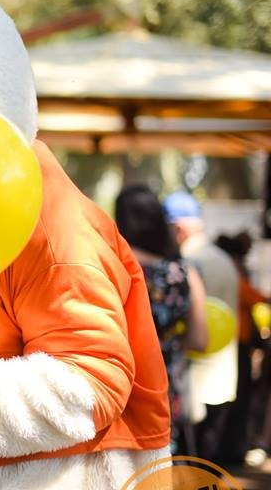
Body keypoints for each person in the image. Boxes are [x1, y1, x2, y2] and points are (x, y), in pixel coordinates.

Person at [115, 184, 208, 454]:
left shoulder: (113, 268)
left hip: (121, 385)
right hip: (165, 386)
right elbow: (200, 339)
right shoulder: (183, 273)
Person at [163, 190, 239, 462]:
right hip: (223, 374)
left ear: (179, 228)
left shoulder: (188, 264)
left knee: (192, 467)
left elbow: (193, 328)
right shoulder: (224, 259)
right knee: (210, 464)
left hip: (194, 380)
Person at [215, 231, 269, 464]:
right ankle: (232, 449)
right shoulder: (233, 274)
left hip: (234, 341)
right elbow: (252, 297)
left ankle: (232, 447)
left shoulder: (230, 271)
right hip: (236, 342)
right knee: (238, 398)